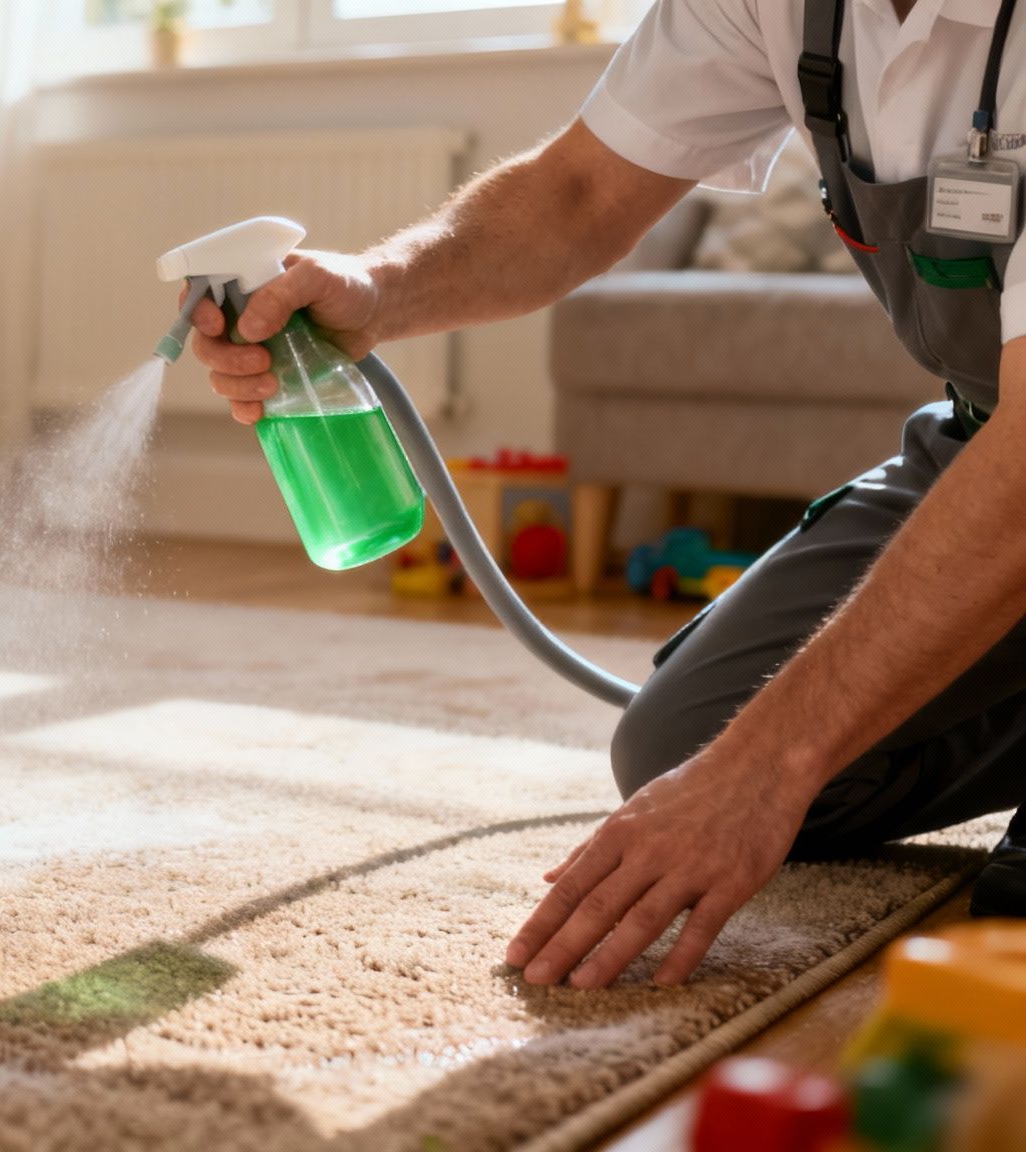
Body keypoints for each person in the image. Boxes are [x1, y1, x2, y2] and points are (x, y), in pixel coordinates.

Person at [190, 0, 1026, 988]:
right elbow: (579, 192)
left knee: (756, 762)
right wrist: (378, 286)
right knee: (686, 742)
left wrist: (764, 769)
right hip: (983, 439)